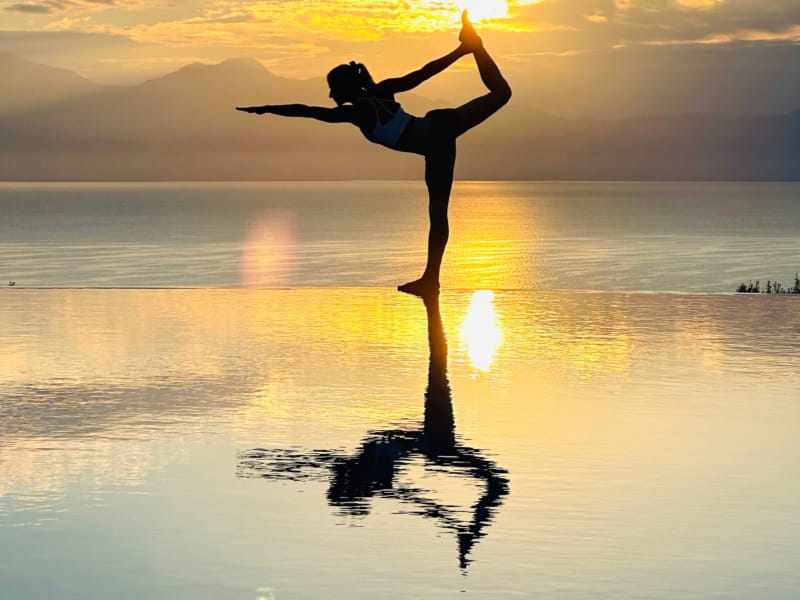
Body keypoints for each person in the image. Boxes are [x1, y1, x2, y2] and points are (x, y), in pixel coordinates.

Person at [237, 10, 511, 296]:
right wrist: (459, 52)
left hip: (439, 133)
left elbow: (309, 111)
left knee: (501, 97)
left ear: (344, 88)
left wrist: (266, 109)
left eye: (333, 89)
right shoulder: (382, 92)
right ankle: (473, 45)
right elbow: (423, 73)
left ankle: (475, 45)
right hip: (436, 140)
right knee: (438, 212)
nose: (331, 95)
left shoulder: (359, 113)